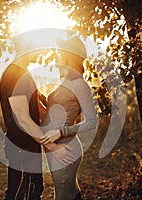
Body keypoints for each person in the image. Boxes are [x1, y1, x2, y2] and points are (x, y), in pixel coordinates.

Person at [0, 36, 76, 200]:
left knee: (35, 190)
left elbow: (37, 109)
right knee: (18, 193)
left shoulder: (24, 74)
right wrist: (54, 148)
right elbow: (23, 119)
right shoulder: (14, 75)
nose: (40, 53)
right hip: (21, 146)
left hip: (29, 145)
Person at [39, 35, 98, 200]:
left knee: (63, 195)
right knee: (71, 194)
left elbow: (92, 122)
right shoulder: (65, 81)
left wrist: (61, 132)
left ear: (69, 54)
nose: (57, 54)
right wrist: (39, 97)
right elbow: (57, 109)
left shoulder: (80, 84)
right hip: (55, 148)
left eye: (60, 51)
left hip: (66, 148)